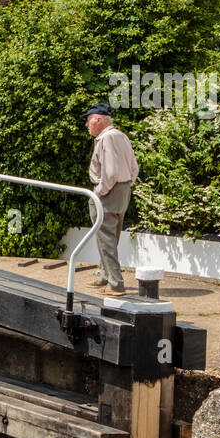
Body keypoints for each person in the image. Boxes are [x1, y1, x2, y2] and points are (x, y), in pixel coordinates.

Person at [83, 103, 139, 295]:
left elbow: (110, 172)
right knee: (110, 236)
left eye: (88, 120)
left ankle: (116, 284)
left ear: (98, 119)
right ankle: (105, 276)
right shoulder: (121, 136)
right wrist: (127, 184)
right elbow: (134, 167)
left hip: (109, 191)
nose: (86, 125)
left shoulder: (106, 138)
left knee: (105, 237)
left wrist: (99, 191)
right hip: (123, 190)